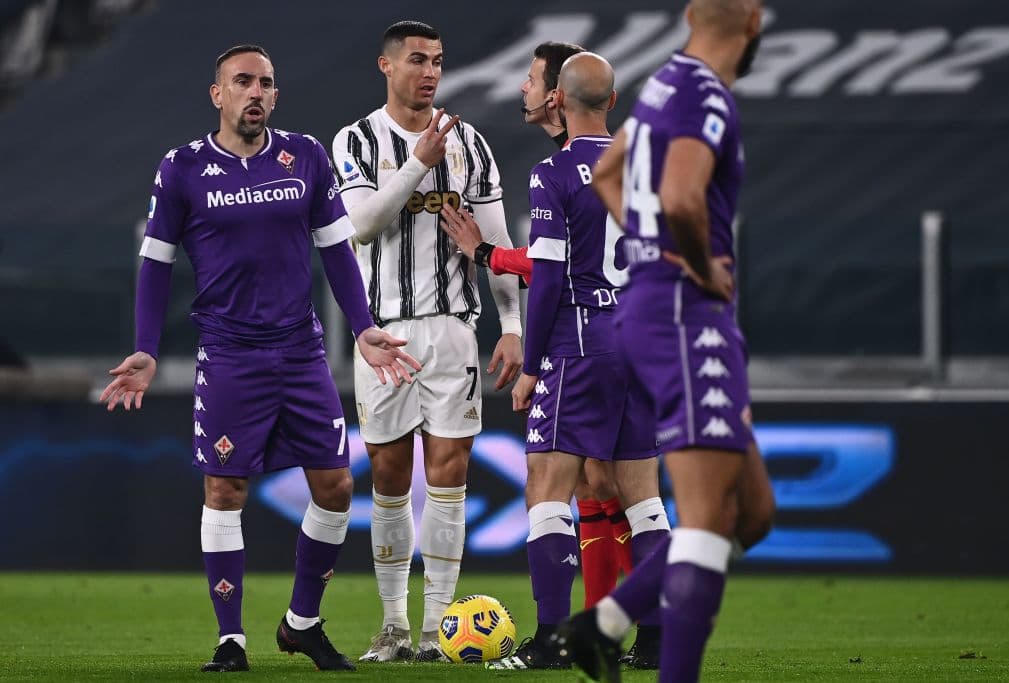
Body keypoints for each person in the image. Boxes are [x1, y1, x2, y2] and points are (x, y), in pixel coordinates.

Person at [100, 45, 421, 673]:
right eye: (242, 81)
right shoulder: (183, 168)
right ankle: (231, 639)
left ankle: (302, 623)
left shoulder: (305, 156)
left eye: (266, 83)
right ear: (217, 94)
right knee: (226, 488)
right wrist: (145, 346)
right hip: (229, 354)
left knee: (336, 486)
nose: (255, 92)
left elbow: (336, 249)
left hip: (301, 351)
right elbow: (156, 263)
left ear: (275, 95)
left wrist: (362, 327)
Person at [552, 1, 775, 681]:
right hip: (686, 316)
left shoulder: (663, 84)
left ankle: (602, 623)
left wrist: (652, 247)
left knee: (753, 512)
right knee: (707, 520)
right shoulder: (704, 94)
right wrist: (698, 265)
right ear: (752, 21)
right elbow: (680, 198)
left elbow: (608, 176)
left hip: (656, 311)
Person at [456, 52, 664, 671]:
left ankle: (550, 639)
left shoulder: (555, 173)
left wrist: (531, 368)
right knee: (644, 500)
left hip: (582, 340)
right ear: (613, 101)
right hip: (641, 339)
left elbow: (548, 278)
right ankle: (657, 639)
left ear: (560, 101)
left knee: (547, 491)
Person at [330, 21, 523, 663]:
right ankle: (393, 625)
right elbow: (361, 224)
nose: (430, 72)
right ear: (386, 66)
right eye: (417, 60)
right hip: (383, 331)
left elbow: (494, 240)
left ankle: (440, 627)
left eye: (438, 61)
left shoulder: (471, 143)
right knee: (388, 477)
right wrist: (418, 162)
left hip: (452, 327)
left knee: (450, 474)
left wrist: (513, 326)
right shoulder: (356, 140)